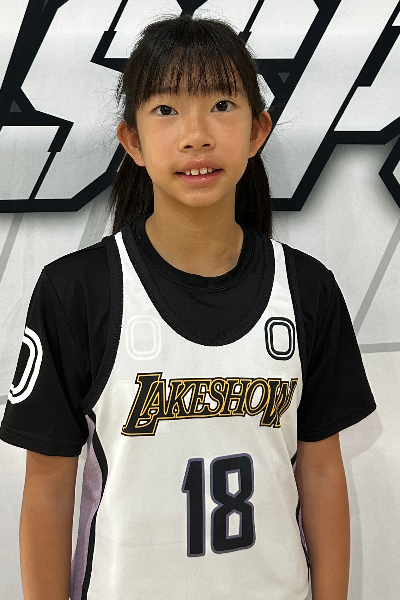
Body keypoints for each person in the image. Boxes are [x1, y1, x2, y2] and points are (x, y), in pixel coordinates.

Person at [0, 12, 376, 600]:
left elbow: (322, 469)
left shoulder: (307, 289)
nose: (196, 134)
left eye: (222, 105)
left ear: (257, 131)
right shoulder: (76, 291)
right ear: (132, 141)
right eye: (166, 109)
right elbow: (48, 487)